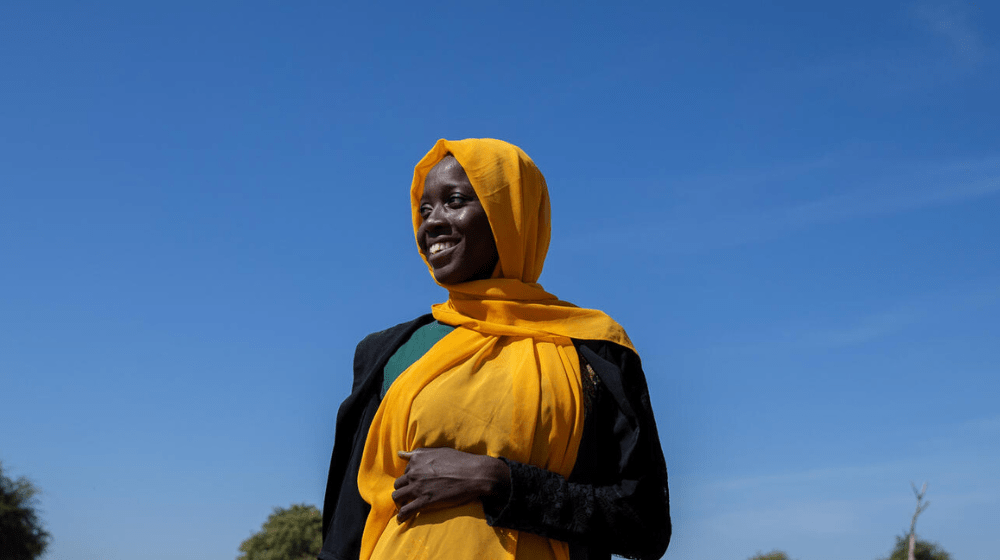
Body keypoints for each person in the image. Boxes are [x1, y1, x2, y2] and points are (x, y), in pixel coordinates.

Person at [319, 138, 670, 560]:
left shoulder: (593, 348)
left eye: (454, 201)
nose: (431, 223)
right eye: (424, 209)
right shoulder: (388, 352)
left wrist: (499, 481)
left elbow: (643, 525)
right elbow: (347, 525)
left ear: (512, 215)